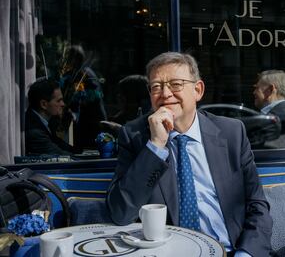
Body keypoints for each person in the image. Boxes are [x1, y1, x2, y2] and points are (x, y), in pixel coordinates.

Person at [107, 52, 272, 256]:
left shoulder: (231, 134)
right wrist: (156, 145)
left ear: (198, 90)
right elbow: (121, 213)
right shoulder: (135, 137)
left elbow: (257, 206)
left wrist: (245, 253)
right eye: (156, 87)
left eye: (175, 84)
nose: (165, 94)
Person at [60, 45, 107, 150]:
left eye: (69, 57)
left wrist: (75, 98)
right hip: (83, 120)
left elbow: (96, 95)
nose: (67, 60)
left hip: (92, 120)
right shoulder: (73, 73)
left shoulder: (85, 73)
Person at [25, 78, 79, 156]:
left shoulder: (46, 122)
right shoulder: (35, 132)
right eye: (59, 101)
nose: (63, 104)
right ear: (44, 104)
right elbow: (62, 156)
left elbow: (67, 148)